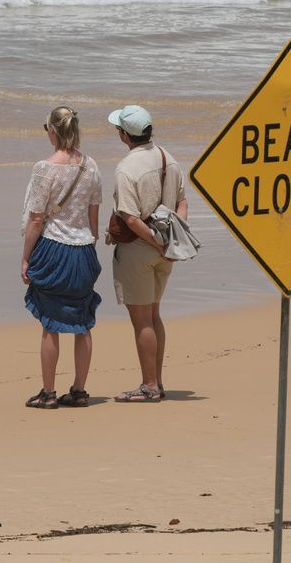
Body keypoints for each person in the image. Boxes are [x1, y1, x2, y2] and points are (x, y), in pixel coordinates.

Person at [21, 106, 103, 409]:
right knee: (83, 323)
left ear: (52, 131)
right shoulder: (91, 165)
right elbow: (94, 214)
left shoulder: (44, 167)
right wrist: (90, 244)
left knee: (50, 322)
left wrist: (26, 258)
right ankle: (80, 391)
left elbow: (35, 219)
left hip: (54, 249)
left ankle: (49, 392)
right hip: (83, 251)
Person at [107, 105, 188, 403]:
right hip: (165, 251)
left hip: (140, 250)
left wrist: (156, 243)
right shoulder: (168, 157)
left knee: (142, 321)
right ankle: (157, 381)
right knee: (154, 316)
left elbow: (130, 218)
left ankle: (150, 386)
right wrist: (171, 243)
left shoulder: (127, 168)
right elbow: (182, 203)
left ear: (125, 135)